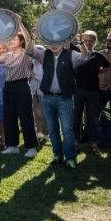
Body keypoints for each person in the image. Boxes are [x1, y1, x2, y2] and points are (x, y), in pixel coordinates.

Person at [32, 40, 92, 168]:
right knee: (53, 130)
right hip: (47, 97)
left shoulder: (71, 54)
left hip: (64, 98)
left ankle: (70, 158)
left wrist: (82, 42)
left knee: (66, 129)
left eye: (57, 42)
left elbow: (86, 57)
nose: (54, 45)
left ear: (64, 43)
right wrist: (31, 37)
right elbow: (29, 51)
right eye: (51, 42)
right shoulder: (44, 54)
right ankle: (57, 156)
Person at [0, 33, 39, 157]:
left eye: (14, 38)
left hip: (22, 86)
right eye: (10, 38)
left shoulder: (26, 53)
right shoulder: (8, 54)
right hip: (8, 87)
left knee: (26, 117)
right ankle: (12, 146)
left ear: (21, 41)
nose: (10, 41)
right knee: (9, 117)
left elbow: (30, 48)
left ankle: (31, 147)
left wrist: (32, 37)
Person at [73, 31, 111, 156]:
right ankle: (75, 143)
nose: (88, 43)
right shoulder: (76, 53)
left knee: (92, 119)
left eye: (90, 40)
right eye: (86, 40)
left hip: (94, 91)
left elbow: (108, 66)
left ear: (95, 42)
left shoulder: (98, 56)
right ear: (82, 40)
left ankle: (93, 144)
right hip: (78, 90)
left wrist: (98, 72)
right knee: (76, 118)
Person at [29, 44, 49, 141]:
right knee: (36, 112)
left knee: (44, 113)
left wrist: (34, 76)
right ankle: (39, 132)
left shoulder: (46, 64)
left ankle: (46, 133)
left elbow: (47, 79)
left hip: (43, 91)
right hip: (33, 91)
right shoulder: (31, 63)